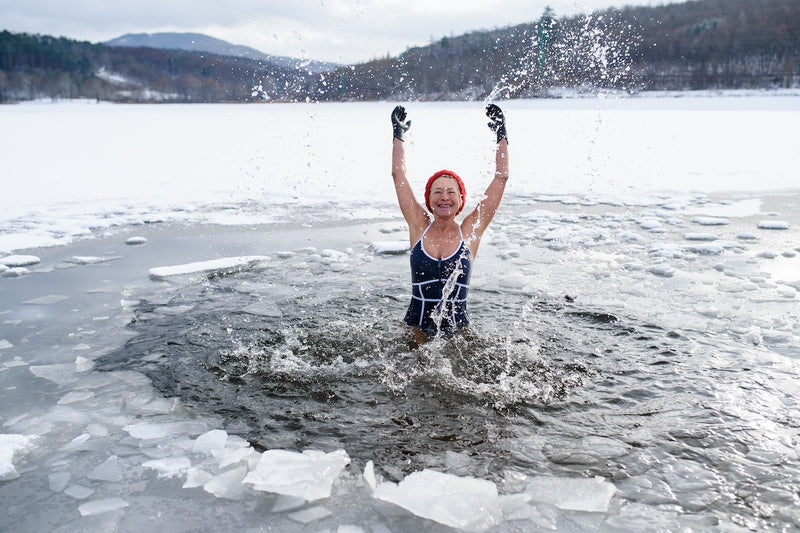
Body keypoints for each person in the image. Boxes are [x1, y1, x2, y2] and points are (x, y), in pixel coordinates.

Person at [390, 104, 509, 337]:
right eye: (438, 191)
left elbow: (501, 178)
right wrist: (398, 135)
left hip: (458, 333)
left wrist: (501, 134)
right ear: (429, 199)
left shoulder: (470, 231)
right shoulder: (419, 225)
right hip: (416, 330)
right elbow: (398, 175)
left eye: (451, 192)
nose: (444, 197)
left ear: (460, 199)